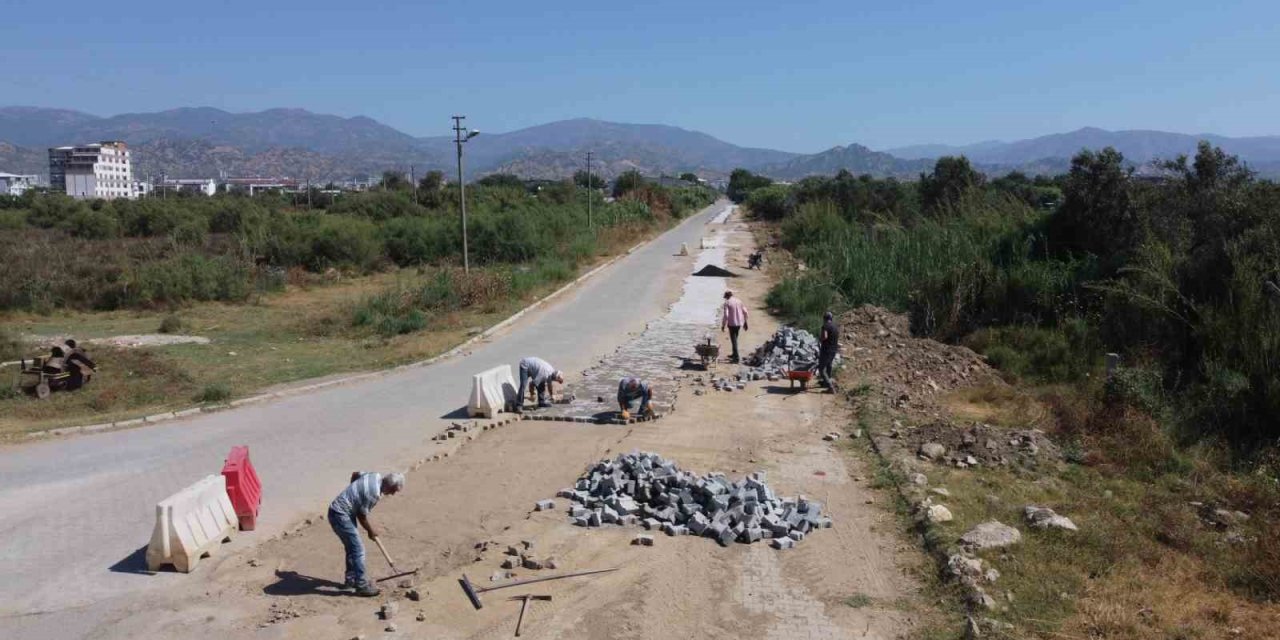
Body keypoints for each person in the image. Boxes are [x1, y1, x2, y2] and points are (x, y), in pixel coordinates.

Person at [327, 471, 405, 597]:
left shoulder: (375, 475)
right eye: (394, 490)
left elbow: (355, 474)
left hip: (338, 511)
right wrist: (371, 531)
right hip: (340, 515)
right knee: (358, 550)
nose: (393, 494)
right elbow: (361, 516)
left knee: (351, 548)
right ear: (389, 486)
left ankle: (351, 580)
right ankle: (362, 586)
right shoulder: (373, 494)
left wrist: (354, 493)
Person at [721, 290, 749, 363]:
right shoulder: (739, 301)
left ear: (727, 296)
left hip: (732, 324)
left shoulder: (727, 303)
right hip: (739, 323)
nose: (725, 298)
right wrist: (745, 322)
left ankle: (736, 358)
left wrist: (723, 325)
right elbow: (745, 312)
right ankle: (734, 354)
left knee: (734, 340)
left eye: (725, 297)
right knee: (735, 339)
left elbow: (726, 315)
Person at [818, 311, 840, 391]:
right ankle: (826, 382)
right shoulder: (835, 327)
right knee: (829, 366)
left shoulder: (826, 326)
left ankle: (830, 386)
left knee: (821, 369)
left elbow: (825, 336)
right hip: (834, 350)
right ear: (831, 318)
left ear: (824, 318)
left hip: (826, 350)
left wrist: (820, 339)